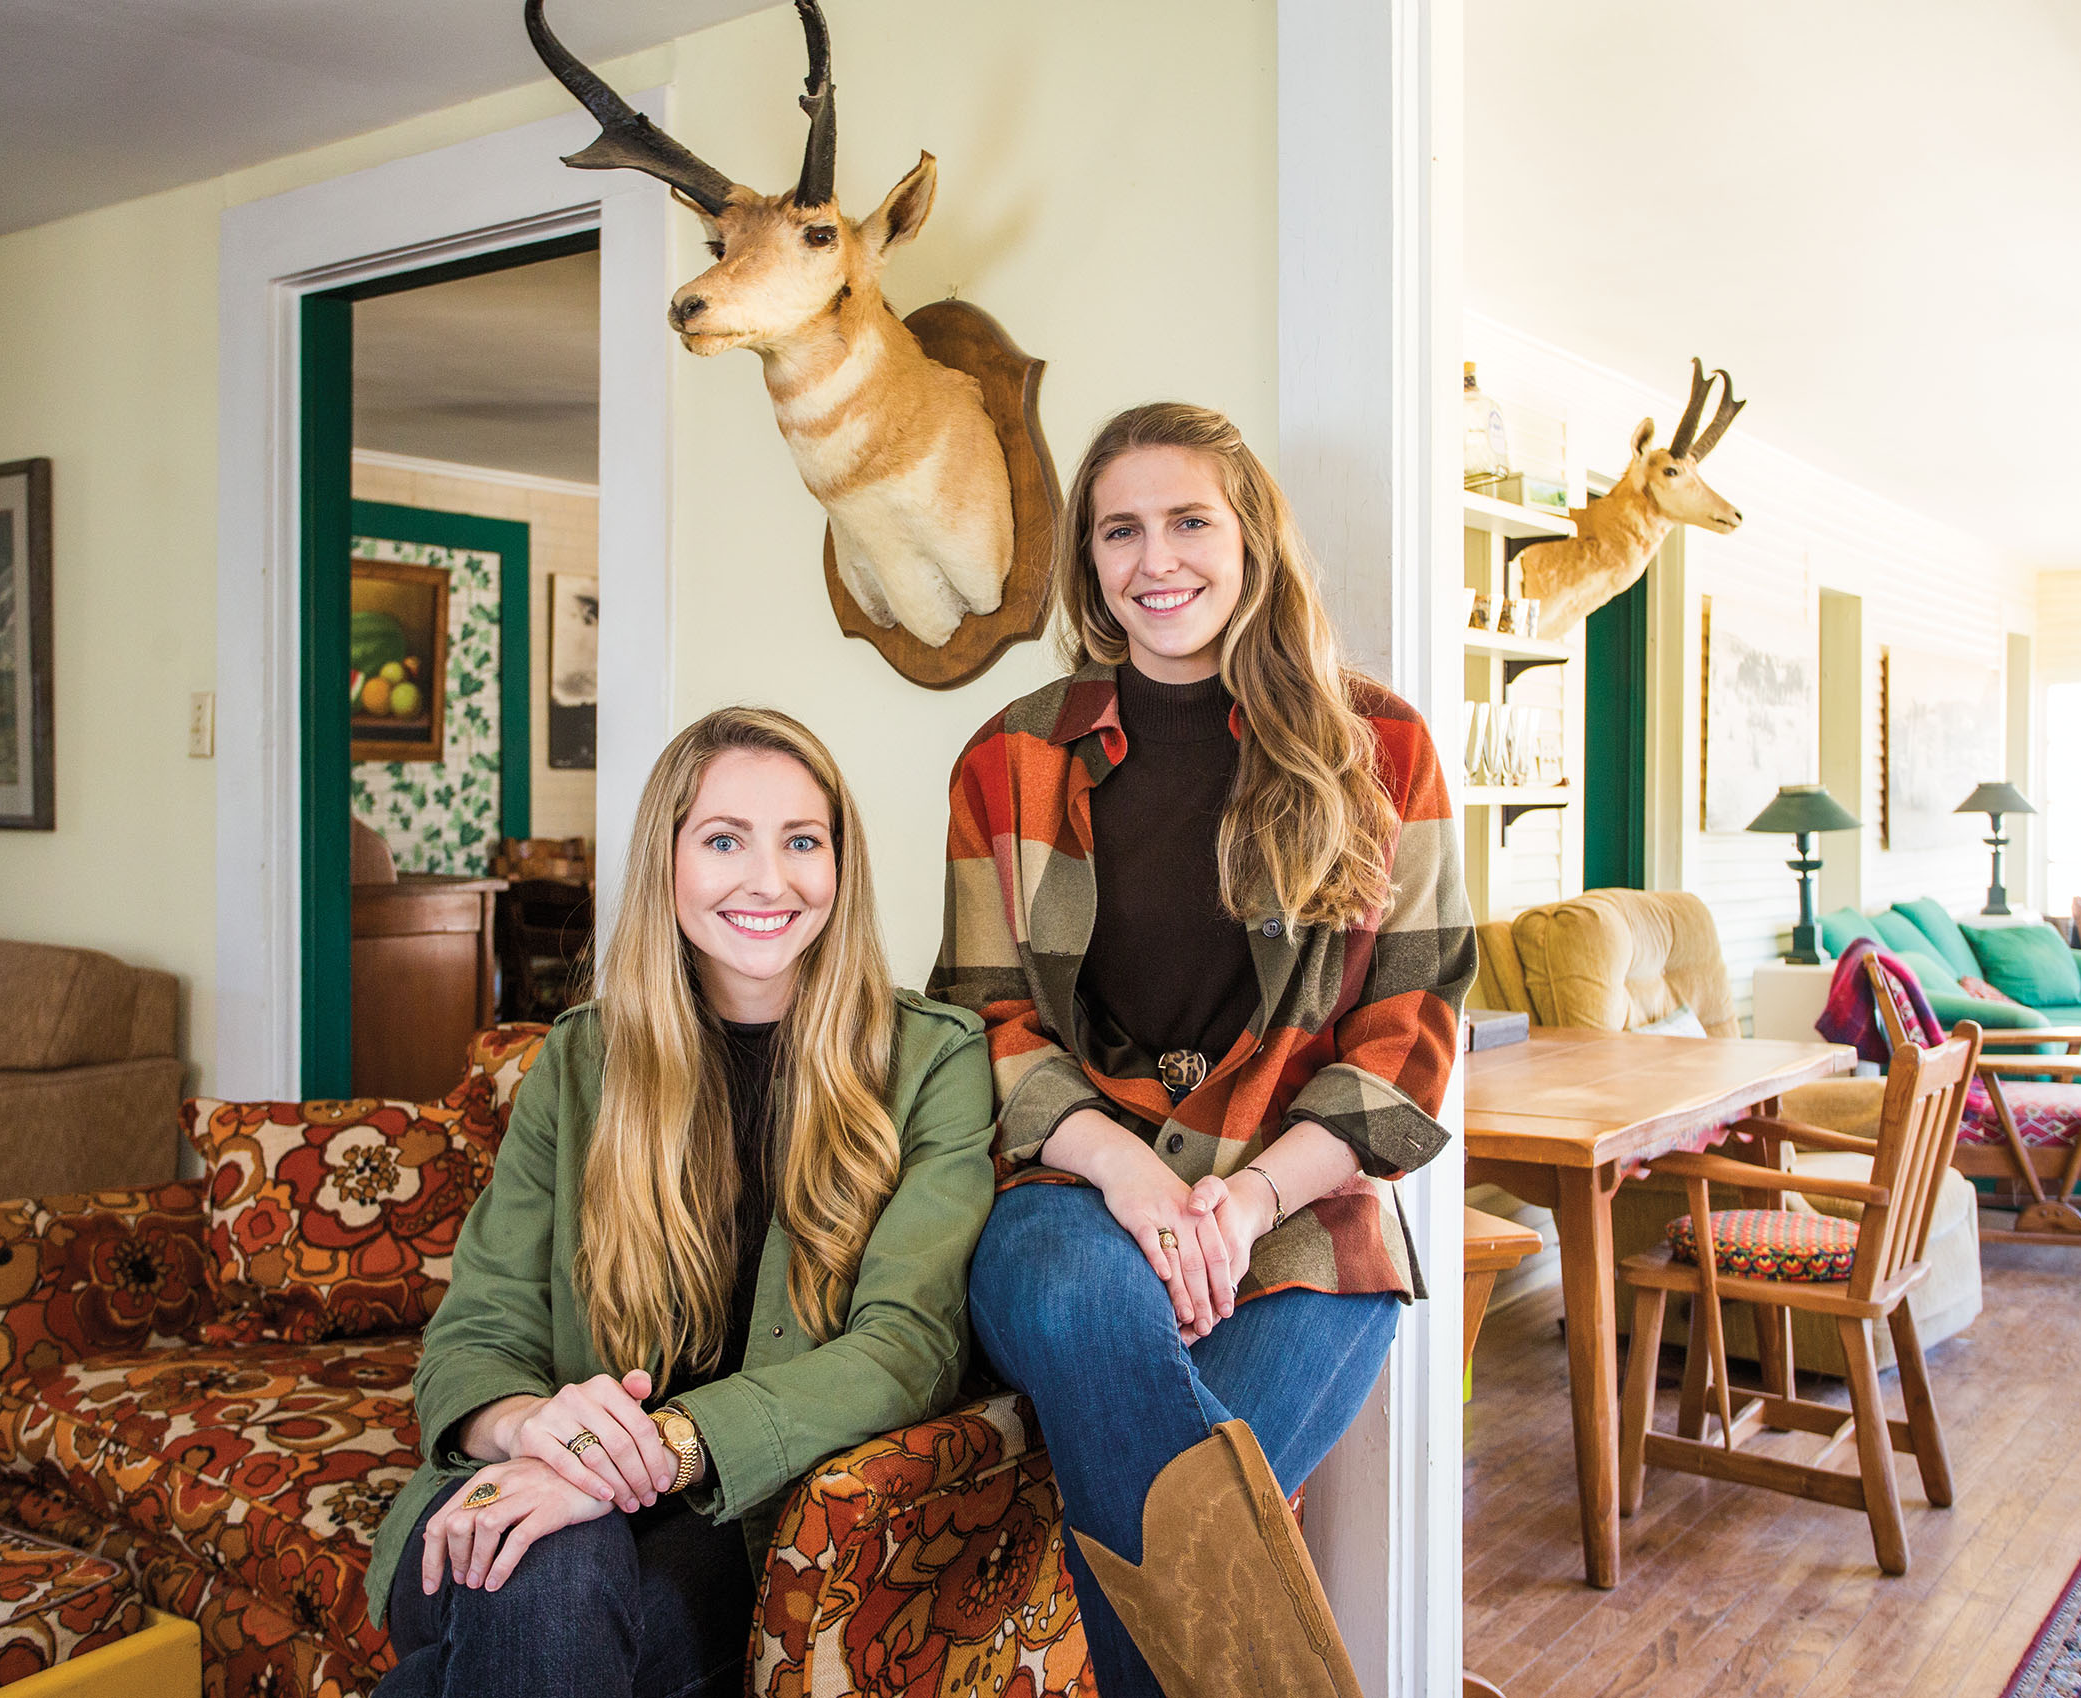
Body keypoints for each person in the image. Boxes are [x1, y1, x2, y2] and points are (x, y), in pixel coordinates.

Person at [932, 402, 1473, 1698]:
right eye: (1120, 528)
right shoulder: (1006, 756)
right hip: (1068, 1204)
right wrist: (1138, 1180)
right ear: (1089, 560)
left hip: (1303, 1227)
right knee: (1088, 1311)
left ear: (1252, 542)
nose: (1154, 556)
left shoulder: (1379, 748)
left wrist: (1246, 1194)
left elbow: (1410, 1037)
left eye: (1189, 520)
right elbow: (982, 1020)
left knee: (1167, 1493)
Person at [365, 707, 995, 1698]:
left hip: (726, 1517)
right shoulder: (580, 1061)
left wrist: (650, 1451)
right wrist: (539, 1433)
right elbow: (475, 1336)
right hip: (528, 1487)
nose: (768, 880)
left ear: (841, 865)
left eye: (802, 842)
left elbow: (905, 1349)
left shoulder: (930, 1060)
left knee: (528, 1609)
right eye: (722, 840)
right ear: (666, 861)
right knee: (546, 1571)